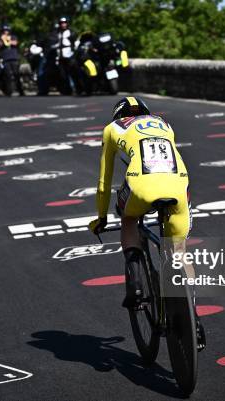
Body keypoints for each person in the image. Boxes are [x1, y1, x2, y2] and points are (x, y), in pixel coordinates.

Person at [89, 97, 206, 350]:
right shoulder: (165, 124)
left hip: (141, 187)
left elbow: (103, 181)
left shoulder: (112, 129)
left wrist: (101, 218)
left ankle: (134, 273)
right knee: (179, 251)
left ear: (117, 115)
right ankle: (192, 314)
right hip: (178, 186)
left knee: (129, 218)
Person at [0, 25, 24, 96]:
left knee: (16, 74)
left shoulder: (13, 37)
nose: (5, 32)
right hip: (6, 58)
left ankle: (20, 91)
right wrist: (2, 40)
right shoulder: (0, 38)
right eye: (4, 31)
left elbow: (15, 43)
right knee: (7, 76)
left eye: (7, 31)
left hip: (14, 58)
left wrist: (8, 40)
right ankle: (9, 91)